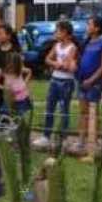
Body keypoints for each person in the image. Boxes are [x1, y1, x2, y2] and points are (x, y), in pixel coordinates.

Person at [34, 20, 78, 149]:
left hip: (66, 82)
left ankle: (63, 137)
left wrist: (59, 64)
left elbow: (66, 65)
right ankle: (46, 136)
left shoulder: (72, 47)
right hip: (54, 79)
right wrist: (56, 64)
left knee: (64, 110)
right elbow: (48, 59)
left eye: (58, 31)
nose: (56, 33)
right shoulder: (56, 45)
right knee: (49, 108)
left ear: (65, 33)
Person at [76, 17, 102, 161]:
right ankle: (81, 139)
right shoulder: (86, 42)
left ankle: (93, 139)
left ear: (97, 28)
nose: (87, 26)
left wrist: (91, 80)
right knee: (83, 111)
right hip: (82, 81)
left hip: (94, 83)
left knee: (93, 112)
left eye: (89, 24)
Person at [0, 24, 21, 116]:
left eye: (0, 34)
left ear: (8, 36)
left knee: (9, 109)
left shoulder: (15, 49)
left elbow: (19, 66)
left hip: (10, 82)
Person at [0, 52, 32, 117]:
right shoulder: (4, 72)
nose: (11, 67)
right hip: (9, 97)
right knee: (5, 114)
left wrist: (25, 82)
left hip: (22, 98)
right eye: (10, 64)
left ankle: (20, 125)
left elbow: (29, 71)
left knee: (20, 116)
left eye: (13, 65)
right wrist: (3, 87)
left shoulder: (20, 70)